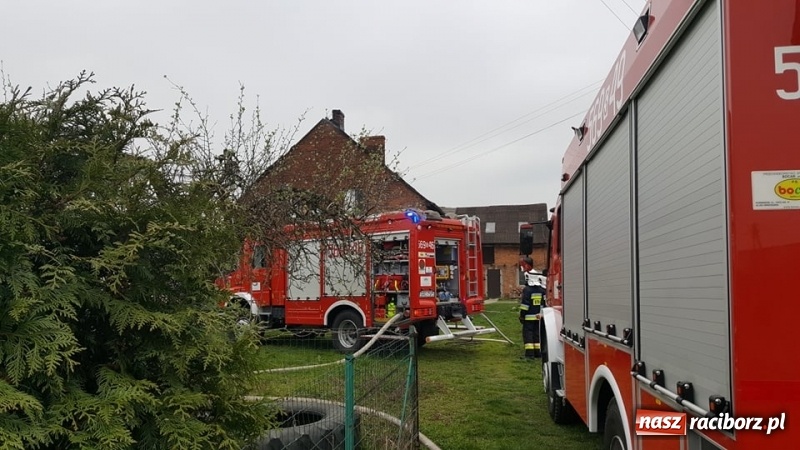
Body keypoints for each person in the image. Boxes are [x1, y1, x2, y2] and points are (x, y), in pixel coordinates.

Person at [519, 256, 545, 360]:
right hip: (538, 317)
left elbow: (525, 305)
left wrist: (522, 316)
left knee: (528, 334)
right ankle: (538, 353)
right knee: (536, 334)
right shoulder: (542, 290)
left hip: (528, 317)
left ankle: (529, 354)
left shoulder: (527, 290)